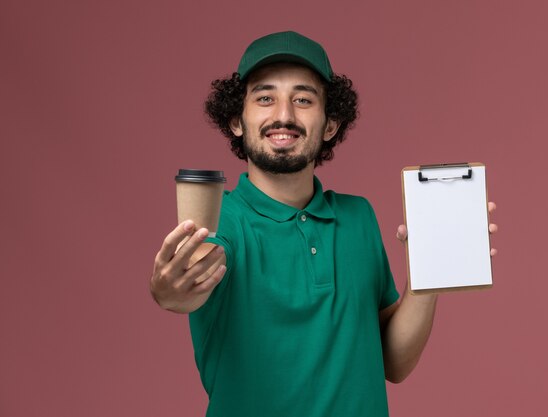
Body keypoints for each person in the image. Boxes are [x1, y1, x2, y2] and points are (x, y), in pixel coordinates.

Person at [150, 31, 498, 417]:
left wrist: (427, 274)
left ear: (330, 124)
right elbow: (180, 290)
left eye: (303, 99)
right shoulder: (222, 219)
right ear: (237, 120)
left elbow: (393, 364)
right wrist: (168, 288)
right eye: (265, 98)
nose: (284, 114)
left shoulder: (358, 217)